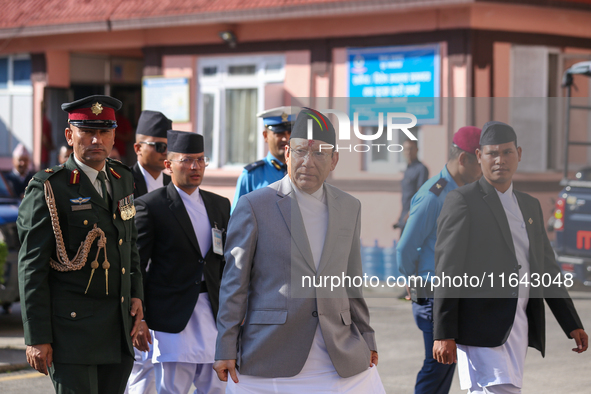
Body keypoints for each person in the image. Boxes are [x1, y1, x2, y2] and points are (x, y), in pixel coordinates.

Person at [214, 108, 385, 393]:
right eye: (301, 151)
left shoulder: (349, 206)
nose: (308, 161)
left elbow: (352, 280)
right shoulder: (255, 205)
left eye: (319, 153)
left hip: (338, 351)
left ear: (334, 160)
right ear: (288, 154)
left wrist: (367, 336)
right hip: (271, 350)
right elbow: (234, 284)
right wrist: (225, 346)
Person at [433, 121, 588, 394]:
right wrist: (443, 332)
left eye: (506, 152)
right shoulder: (463, 200)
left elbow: (547, 268)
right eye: (492, 153)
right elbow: (448, 269)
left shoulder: (529, 205)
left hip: (517, 325)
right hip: (480, 327)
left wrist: (571, 322)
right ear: (480, 157)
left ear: (518, 153)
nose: (499, 160)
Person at [17, 95, 144, 394]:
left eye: (104, 131)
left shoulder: (122, 177)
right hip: (71, 336)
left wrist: (138, 297)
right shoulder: (49, 187)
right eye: (87, 131)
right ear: (69, 135)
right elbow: (31, 268)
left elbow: (130, 245)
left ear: (114, 135)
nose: (96, 139)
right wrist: (36, 336)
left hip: (117, 331)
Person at [134, 130, 230, 394]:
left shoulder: (219, 205)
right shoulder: (151, 206)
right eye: (187, 160)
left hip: (211, 312)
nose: (195, 166)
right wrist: (139, 317)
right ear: (169, 165)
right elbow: (137, 265)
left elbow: (226, 264)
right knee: (172, 388)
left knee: (215, 388)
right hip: (171, 317)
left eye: (200, 160)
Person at [396, 126, 482, 394]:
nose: (483, 170)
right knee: (437, 363)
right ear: (464, 159)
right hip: (433, 293)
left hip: (451, 292)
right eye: (479, 163)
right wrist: (413, 282)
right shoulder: (434, 195)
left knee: (445, 363)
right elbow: (406, 247)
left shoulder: (463, 191)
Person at [231, 106, 294, 212]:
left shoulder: (307, 172)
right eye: (279, 133)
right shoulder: (251, 176)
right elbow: (237, 220)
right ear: (265, 136)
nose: (286, 138)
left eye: (290, 132)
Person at [132, 110, 172, 198]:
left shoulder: (174, 185)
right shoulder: (122, 183)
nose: (166, 152)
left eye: (170, 147)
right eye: (160, 146)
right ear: (138, 148)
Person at [393, 139, 429, 234]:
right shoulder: (407, 169)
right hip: (404, 215)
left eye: (411, 149)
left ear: (417, 149)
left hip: (413, 216)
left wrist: (410, 213)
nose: (408, 152)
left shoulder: (421, 169)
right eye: (405, 149)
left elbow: (422, 194)